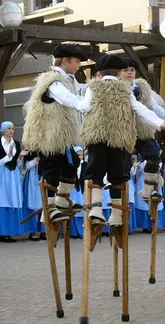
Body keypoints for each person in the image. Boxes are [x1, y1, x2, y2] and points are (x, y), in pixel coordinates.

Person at [79, 55, 165, 231]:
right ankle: (117, 215)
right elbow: (141, 110)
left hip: (98, 136)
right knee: (118, 175)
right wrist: (161, 124)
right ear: (119, 72)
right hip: (119, 137)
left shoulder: (94, 87)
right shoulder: (125, 90)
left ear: (99, 73)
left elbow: (83, 107)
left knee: (95, 171)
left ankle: (96, 209)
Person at [23, 44, 88, 223]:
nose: (79, 65)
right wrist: (83, 104)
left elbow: (78, 95)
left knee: (72, 163)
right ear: (65, 61)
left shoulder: (68, 80)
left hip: (60, 136)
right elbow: (65, 98)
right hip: (48, 135)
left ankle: (62, 199)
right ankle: (49, 210)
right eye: (76, 61)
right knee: (51, 168)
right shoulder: (53, 80)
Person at [118, 57, 165, 202]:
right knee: (123, 165)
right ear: (119, 72)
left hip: (142, 130)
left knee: (154, 155)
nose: (130, 73)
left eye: (132, 70)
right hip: (122, 132)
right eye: (125, 70)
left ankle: (148, 190)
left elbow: (155, 108)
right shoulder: (115, 88)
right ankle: (119, 198)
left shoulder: (143, 89)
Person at [0, 121, 27, 242]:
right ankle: (3, 232)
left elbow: (18, 163)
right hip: (2, 174)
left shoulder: (16, 143)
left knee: (13, 200)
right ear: (3, 130)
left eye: (13, 128)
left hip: (13, 174)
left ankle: (10, 231)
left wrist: (20, 157)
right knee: (3, 200)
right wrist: (8, 156)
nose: (11, 130)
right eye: (9, 128)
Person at [22, 151, 45, 241]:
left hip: (43, 178)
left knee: (43, 203)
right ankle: (33, 231)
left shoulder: (46, 150)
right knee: (33, 204)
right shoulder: (29, 152)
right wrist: (36, 160)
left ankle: (43, 230)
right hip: (32, 179)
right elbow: (26, 166)